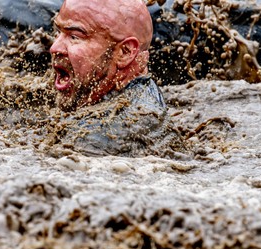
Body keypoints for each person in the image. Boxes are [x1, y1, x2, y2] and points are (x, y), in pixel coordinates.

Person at [48, 0, 185, 157]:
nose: (54, 48)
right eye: (57, 31)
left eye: (74, 36)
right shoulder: (142, 94)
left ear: (125, 52)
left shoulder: (103, 135)